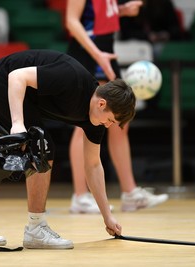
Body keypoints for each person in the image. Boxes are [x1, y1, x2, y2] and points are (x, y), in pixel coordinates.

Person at [0, 49, 136, 249]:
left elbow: (92, 166)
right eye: (110, 120)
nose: (108, 125)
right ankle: (35, 229)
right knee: (43, 148)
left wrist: (107, 217)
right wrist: (17, 124)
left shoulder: (96, 122)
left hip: (1, 84)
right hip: (2, 80)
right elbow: (17, 76)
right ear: (101, 103)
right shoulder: (71, 78)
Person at [66, 0, 168, 214]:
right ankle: (80, 196)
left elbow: (95, 16)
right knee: (84, 124)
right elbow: (72, 21)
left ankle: (130, 193)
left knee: (120, 121)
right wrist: (97, 55)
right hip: (89, 55)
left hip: (105, 52)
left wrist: (121, 11)